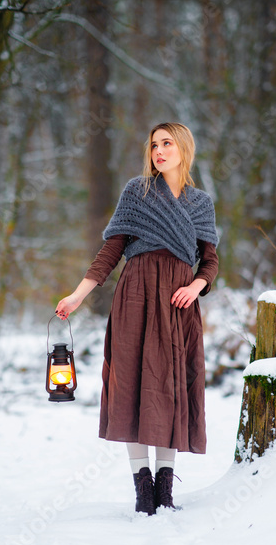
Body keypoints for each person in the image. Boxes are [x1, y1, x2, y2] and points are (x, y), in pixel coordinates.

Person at [55, 121, 219, 515]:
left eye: (166, 144)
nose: (158, 151)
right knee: (130, 384)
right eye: (153, 146)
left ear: (183, 149)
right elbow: (110, 252)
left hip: (178, 306)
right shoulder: (137, 193)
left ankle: (166, 489)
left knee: (169, 388)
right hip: (136, 298)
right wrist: (78, 295)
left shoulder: (201, 204)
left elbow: (210, 262)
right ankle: (143, 492)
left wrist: (196, 286)